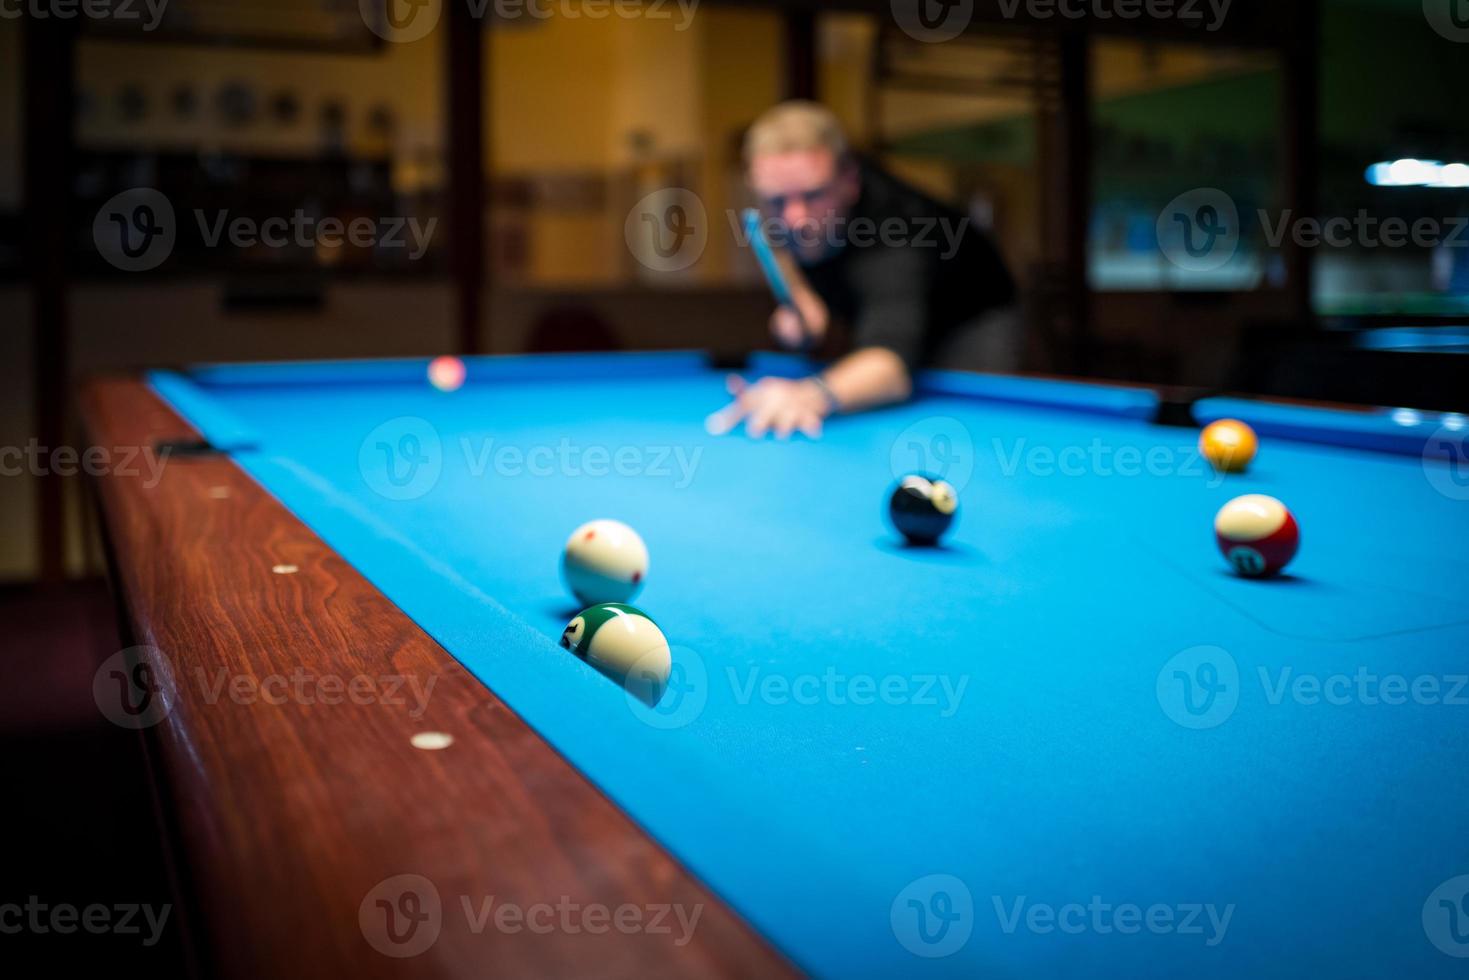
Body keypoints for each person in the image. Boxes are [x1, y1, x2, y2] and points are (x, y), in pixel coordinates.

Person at [708, 101, 1020, 439]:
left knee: (963, 427)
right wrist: (801, 306)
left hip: (973, 314)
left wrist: (810, 394)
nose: (795, 218)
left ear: (850, 181)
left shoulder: (898, 231)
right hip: (889, 306)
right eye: (777, 201)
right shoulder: (781, 212)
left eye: (813, 195)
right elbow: (783, 253)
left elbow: (891, 367)